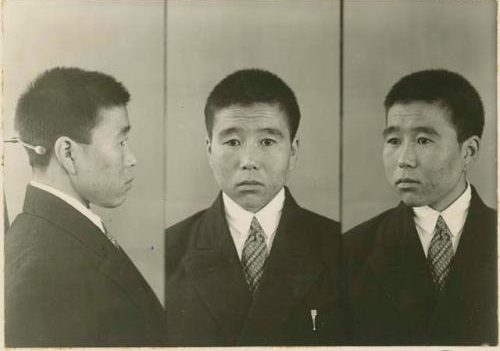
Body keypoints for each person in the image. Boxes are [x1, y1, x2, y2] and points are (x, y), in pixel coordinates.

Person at [164, 69, 344, 346]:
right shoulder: (169, 249)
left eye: (268, 141)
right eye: (233, 141)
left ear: (293, 151)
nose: (249, 160)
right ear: (209, 149)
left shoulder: (341, 247)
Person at [5, 67, 166, 347]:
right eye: (121, 141)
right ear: (67, 153)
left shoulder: (52, 236)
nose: (131, 159)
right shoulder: (45, 271)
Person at [344, 69, 497, 346]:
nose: (404, 160)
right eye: (393, 141)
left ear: (469, 152)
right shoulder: (352, 251)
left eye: (423, 140)